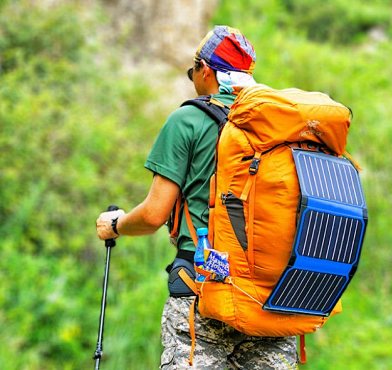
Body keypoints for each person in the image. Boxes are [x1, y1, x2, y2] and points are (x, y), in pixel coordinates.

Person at [96, 25, 298, 369]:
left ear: (205, 70)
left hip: (203, 285)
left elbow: (153, 215)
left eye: (193, 70)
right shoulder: (279, 126)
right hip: (272, 293)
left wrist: (115, 225)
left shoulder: (188, 120)